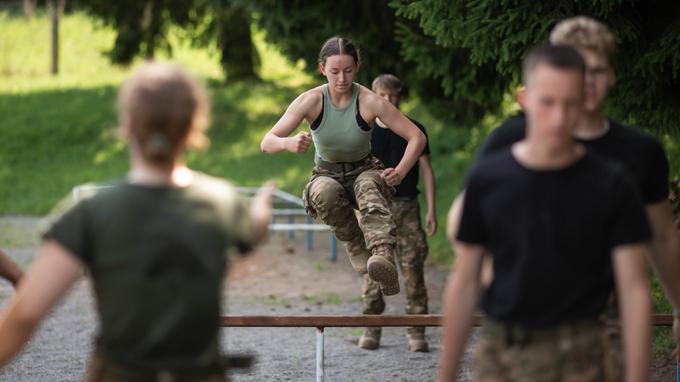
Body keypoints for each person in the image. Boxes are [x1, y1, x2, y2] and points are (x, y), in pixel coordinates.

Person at [0, 62, 274, 381]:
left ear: (128, 125)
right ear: (193, 128)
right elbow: (256, 230)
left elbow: (26, 313)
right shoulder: (223, 201)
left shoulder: (92, 211)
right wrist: (262, 205)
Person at [447, 16, 680, 381]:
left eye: (597, 70)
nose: (586, 81)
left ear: (612, 76)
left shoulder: (637, 153)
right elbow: (463, 224)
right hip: (521, 321)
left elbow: (663, 238)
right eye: (576, 67)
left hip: (603, 321)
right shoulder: (510, 139)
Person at [260, 36, 425, 296]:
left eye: (348, 71)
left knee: (368, 184)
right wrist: (288, 143)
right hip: (327, 173)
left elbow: (417, 136)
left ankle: (382, 256)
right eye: (334, 71)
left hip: (365, 168)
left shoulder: (370, 101)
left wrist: (402, 170)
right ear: (322, 68)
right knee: (323, 191)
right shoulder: (311, 100)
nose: (341, 79)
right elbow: (267, 141)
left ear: (357, 67)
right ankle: (356, 245)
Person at [357, 74, 436, 352]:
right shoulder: (364, 130)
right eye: (383, 95)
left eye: (393, 95)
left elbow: (427, 171)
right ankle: (371, 329)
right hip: (376, 208)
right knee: (375, 268)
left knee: (413, 268)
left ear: (400, 95)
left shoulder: (414, 129)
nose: (388, 100)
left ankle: (417, 332)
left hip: (408, 207)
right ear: (374, 95)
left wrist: (432, 211)